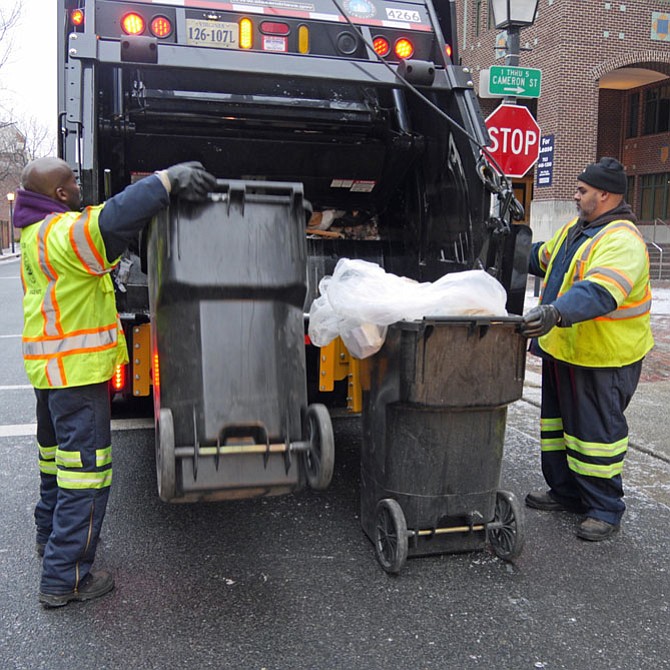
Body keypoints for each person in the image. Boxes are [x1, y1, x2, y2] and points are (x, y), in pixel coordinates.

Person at [14, 158, 216, 607]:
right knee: (87, 476)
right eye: (72, 180)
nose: (78, 183)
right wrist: (166, 181)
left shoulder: (34, 234)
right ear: (60, 195)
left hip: (51, 373)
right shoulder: (61, 233)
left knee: (57, 466)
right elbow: (113, 217)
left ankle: (48, 539)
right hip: (77, 377)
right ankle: (65, 578)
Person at [520, 157, 654, 541]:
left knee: (597, 435)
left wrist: (554, 311)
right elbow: (540, 258)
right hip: (566, 349)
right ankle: (566, 492)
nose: (576, 196)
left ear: (605, 195)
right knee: (559, 429)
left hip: (605, 357)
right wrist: (499, 244)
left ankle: (605, 508)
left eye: (582, 191)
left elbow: (598, 291)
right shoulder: (577, 231)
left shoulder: (621, 240)